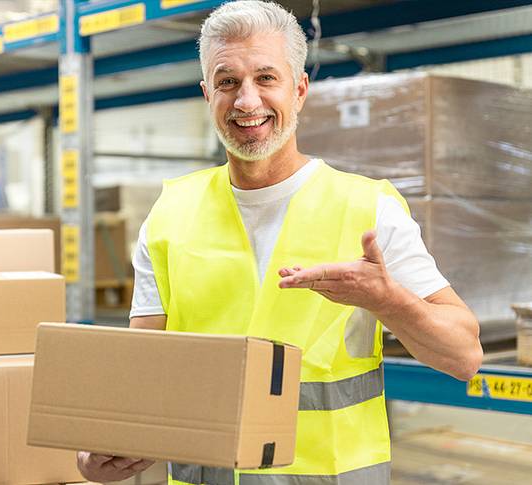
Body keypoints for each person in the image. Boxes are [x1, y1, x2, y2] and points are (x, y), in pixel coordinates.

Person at [78, 1, 483, 483]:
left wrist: (387, 300)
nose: (247, 102)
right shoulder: (170, 213)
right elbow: (143, 372)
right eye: (228, 82)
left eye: (266, 78)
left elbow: (464, 356)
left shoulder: (367, 209)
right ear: (208, 94)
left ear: (300, 89)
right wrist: (105, 446)